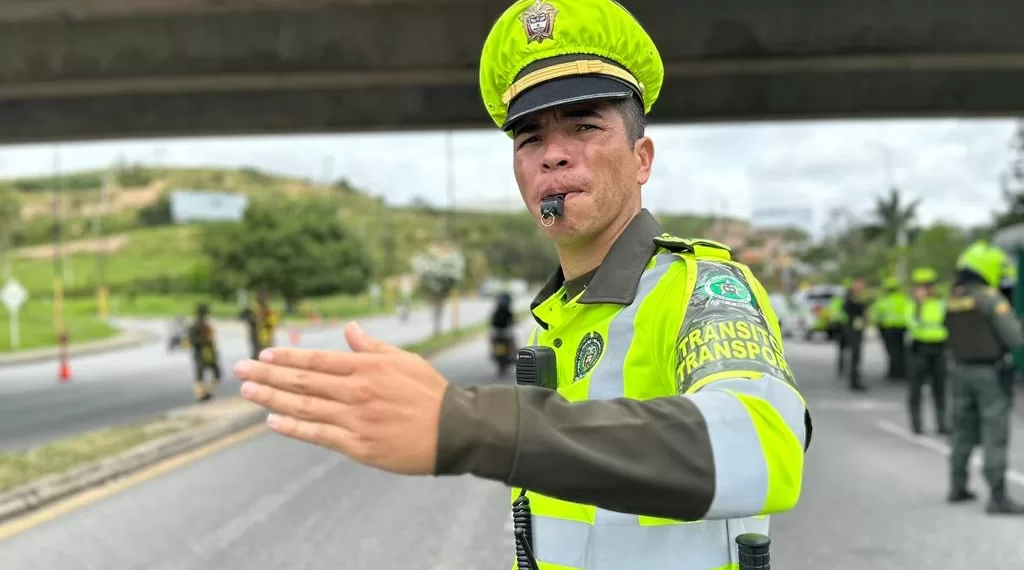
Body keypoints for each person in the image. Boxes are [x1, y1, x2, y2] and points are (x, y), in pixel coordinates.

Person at [232, 0, 811, 567]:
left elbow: (764, 446)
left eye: (584, 126)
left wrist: (467, 424)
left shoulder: (703, 287)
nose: (554, 155)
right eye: (529, 138)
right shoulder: (558, 316)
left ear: (642, 159)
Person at [944, 241, 1024, 514]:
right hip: (989, 375)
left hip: (960, 371)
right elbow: (1015, 338)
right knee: (994, 432)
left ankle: (957, 487)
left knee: (962, 430)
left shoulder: (954, 298)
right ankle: (998, 496)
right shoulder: (990, 298)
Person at [905, 267, 948, 434]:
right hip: (919, 349)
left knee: (940, 387)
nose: (926, 289)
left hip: (938, 349)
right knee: (915, 388)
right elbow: (914, 325)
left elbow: (946, 325)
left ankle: (942, 423)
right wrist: (919, 305)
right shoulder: (912, 305)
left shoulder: (940, 303)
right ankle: (916, 424)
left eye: (929, 285)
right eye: (921, 286)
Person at [872, 276, 910, 380]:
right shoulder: (904, 298)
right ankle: (902, 372)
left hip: (888, 328)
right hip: (902, 328)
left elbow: (877, 315)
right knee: (901, 350)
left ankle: (894, 372)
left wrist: (877, 325)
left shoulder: (884, 300)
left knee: (892, 351)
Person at [187, 303, 221, 402]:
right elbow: (193, 341)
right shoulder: (195, 326)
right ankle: (200, 394)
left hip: (209, 353)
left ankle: (207, 392)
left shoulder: (206, 325)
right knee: (200, 374)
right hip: (200, 353)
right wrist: (206, 339)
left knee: (216, 372)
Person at [843, 277, 870, 391]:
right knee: (855, 355)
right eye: (861, 284)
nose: (863, 287)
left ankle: (855, 379)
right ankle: (854, 381)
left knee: (856, 355)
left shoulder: (856, 296)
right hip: (853, 328)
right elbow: (851, 310)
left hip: (856, 328)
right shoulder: (851, 297)